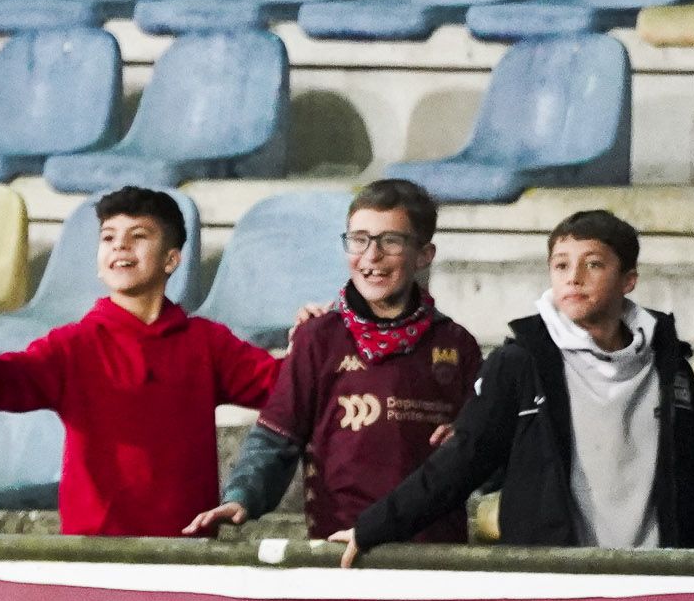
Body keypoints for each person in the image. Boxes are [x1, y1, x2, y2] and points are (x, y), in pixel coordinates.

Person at [339, 210, 694, 562]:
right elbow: (460, 463)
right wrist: (375, 527)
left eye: (594, 264)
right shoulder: (519, 362)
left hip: (655, 578)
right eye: (561, 265)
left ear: (628, 280)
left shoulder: (670, 367)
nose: (574, 278)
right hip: (554, 580)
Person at [0, 187, 279, 538]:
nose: (120, 245)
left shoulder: (207, 343)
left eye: (138, 236)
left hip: (186, 547)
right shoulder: (72, 345)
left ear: (171, 260)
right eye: (108, 238)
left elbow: (283, 387)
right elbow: (4, 383)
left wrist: (315, 343)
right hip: (93, 548)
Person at [189, 180, 484, 542]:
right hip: (338, 548)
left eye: (390, 241)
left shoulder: (458, 345)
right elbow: (276, 437)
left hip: (434, 554)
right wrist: (241, 497)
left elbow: (484, 448)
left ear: (424, 254)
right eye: (359, 239)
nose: (371, 256)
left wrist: (471, 439)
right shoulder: (318, 338)